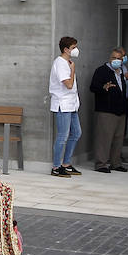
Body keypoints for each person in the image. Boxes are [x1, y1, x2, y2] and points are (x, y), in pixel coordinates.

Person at [89, 48, 128, 172]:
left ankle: (115, 163)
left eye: (119, 59)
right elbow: (93, 87)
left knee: (118, 138)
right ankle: (101, 164)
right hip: (106, 111)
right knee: (104, 138)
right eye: (114, 58)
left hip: (120, 110)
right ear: (109, 58)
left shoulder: (121, 72)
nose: (116, 61)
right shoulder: (101, 71)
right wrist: (104, 87)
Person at [49, 36, 82, 177]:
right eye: (73, 47)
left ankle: (66, 164)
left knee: (76, 133)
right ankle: (56, 167)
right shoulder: (60, 63)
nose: (76, 50)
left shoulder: (67, 62)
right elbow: (68, 84)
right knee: (62, 136)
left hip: (72, 104)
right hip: (62, 104)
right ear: (66, 49)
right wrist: (73, 69)